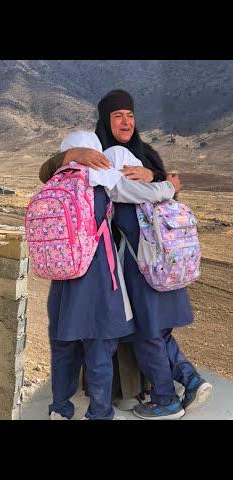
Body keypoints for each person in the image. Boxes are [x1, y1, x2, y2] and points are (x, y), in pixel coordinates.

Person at [41, 89, 212, 420]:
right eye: (118, 115)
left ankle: (167, 391)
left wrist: (157, 176)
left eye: (130, 115)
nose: (126, 121)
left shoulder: (139, 154)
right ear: (105, 120)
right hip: (123, 262)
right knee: (143, 332)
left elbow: (161, 189)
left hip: (144, 260)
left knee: (146, 331)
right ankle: (180, 384)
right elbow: (49, 172)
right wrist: (71, 154)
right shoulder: (98, 155)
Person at [46, 131, 179, 421]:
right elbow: (147, 193)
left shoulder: (55, 180)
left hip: (62, 278)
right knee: (99, 346)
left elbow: (46, 168)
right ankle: (100, 412)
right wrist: (169, 184)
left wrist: (67, 158)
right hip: (96, 275)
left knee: (63, 344)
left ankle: (60, 408)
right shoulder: (101, 178)